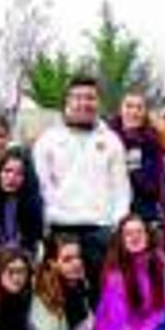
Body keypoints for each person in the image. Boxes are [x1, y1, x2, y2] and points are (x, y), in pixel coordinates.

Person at [33, 75, 132, 305]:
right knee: (61, 297)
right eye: (77, 97)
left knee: (102, 296)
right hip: (61, 229)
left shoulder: (111, 141)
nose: (84, 103)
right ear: (67, 102)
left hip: (100, 230)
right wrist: (49, 221)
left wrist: (115, 227)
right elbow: (41, 186)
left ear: (98, 102)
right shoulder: (48, 140)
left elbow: (121, 189)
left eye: (90, 97)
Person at [108, 91, 165, 233]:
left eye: (139, 108)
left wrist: (130, 168)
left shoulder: (152, 141)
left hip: (143, 212)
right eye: (129, 106)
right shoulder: (106, 137)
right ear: (121, 109)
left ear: (145, 112)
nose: (134, 112)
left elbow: (153, 185)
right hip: (109, 211)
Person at [0, 148, 44, 259]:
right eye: (7, 171)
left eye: (19, 174)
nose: (12, 178)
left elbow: (33, 244)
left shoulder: (33, 205)